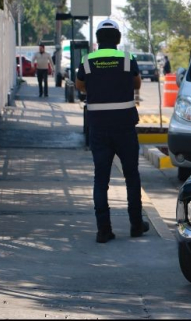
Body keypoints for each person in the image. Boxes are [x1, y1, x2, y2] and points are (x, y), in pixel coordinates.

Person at [75, 19, 149, 243]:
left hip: (98, 127)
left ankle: (103, 230)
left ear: (98, 39)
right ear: (117, 39)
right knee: (131, 176)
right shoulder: (128, 59)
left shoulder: (87, 61)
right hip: (125, 127)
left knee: (101, 179)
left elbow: (80, 86)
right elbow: (137, 84)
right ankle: (136, 225)